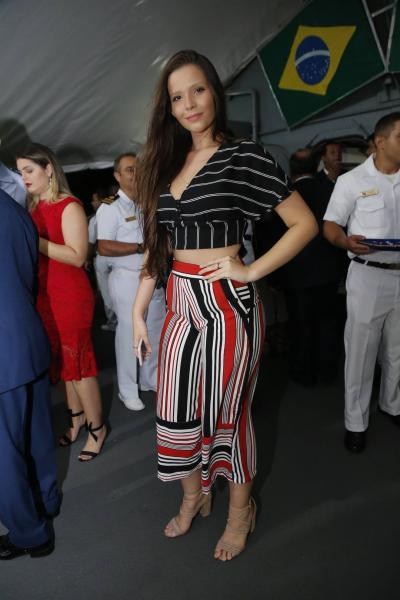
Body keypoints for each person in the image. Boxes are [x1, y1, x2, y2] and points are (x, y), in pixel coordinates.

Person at [132, 49, 317, 561]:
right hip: (179, 301)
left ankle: (240, 512)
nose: (189, 104)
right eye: (177, 97)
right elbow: (157, 247)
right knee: (173, 409)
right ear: (169, 109)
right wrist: (138, 311)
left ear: (215, 91)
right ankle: (194, 496)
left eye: (198, 90)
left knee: (229, 414)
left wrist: (251, 270)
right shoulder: (166, 164)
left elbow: (304, 224)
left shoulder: (244, 157)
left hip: (227, 302)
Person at [16, 143, 107, 462]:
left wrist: (35, 241)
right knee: (64, 364)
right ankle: (77, 418)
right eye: (20, 172)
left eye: (29, 170)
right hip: (44, 296)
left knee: (78, 366)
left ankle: (98, 428)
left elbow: (77, 255)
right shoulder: (32, 208)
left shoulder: (69, 206)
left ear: (49, 169)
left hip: (70, 295)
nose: (24, 177)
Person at [324, 112, 400, 453]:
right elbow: (330, 225)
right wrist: (344, 241)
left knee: (397, 350)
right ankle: (356, 422)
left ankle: (392, 404)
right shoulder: (352, 181)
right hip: (368, 275)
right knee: (361, 352)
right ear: (381, 141)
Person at [0, 188, 60, 560]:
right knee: (36, 433)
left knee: (4, 452)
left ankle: (29, 534)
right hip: (27, 335)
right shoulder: (14, 208)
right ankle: (47, 500)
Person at [97, 153, 165, 410]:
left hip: (152, 275)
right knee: (128, 334)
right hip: (126, 278)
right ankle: (127, 389)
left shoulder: (147, 202)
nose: (135, 174)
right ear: (117, 176)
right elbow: (103, 246)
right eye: (129, 170)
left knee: (154, 329)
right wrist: (139, 247)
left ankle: (150, 378)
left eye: (138, 169)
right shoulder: (110, 206)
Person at [279, 148, 347, 385]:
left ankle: (303, 373)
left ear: (291, 170)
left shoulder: (286, 196)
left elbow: (273, 236)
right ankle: (327, 372)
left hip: (295, 272)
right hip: (328, 271)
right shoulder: (330, 191)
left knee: (300, 324)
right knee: (327, 323)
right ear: (316, 165)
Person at [88, 187, 117, 331]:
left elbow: (91, 241)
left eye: (94, 200)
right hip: (120, 257)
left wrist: (87, 258)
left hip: (102, 258)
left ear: (101, 200)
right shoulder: (117, 211)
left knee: (106, 291)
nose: (92, 203)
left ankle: (113, 321)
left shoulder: (95, 218)